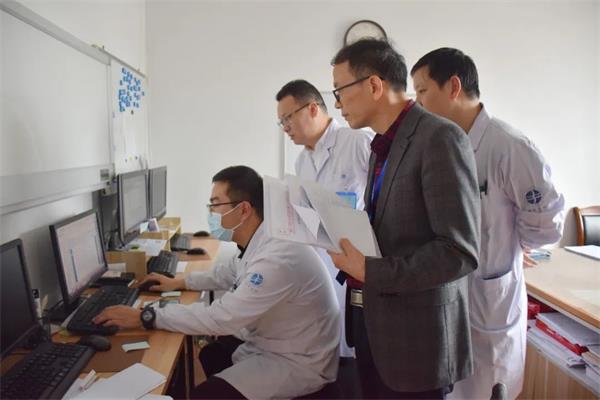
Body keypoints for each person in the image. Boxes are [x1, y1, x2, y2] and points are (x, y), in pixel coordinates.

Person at [94, 166, 340, 399]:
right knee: (212, 353)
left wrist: (147, 316)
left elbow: (220, 318)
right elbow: (227, 272)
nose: (210, 213)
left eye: (215, 204)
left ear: (243, 209)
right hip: (278, 341)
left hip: (299, 361)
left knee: (204, 395)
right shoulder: (263, 240)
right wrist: (180, 282)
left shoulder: (277, 258)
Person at [327, 38, 481, 399]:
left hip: (417, 344)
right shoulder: (381, 145)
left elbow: (458, 252)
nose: (337, 103)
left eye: (339, 90)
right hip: (375, 328)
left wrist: (371, 270)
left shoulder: (439, 138)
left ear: (374, 85)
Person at [411, 47, 565, 400]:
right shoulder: (441, 145)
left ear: (453, 87)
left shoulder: (508, 146)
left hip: (491, 298)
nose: (417, 102)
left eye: (422, 91)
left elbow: (547, 222)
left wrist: (514, 244)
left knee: (490, 388)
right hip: (451, 299)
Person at [276, 79, 372, 358]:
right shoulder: (302, 162)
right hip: (320, 269)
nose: (285, 127)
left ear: (313, 108)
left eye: (288, 118)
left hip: (358, 270)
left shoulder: (357, 142)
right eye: (281, 122)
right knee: (328, 349)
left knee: (358, 350)